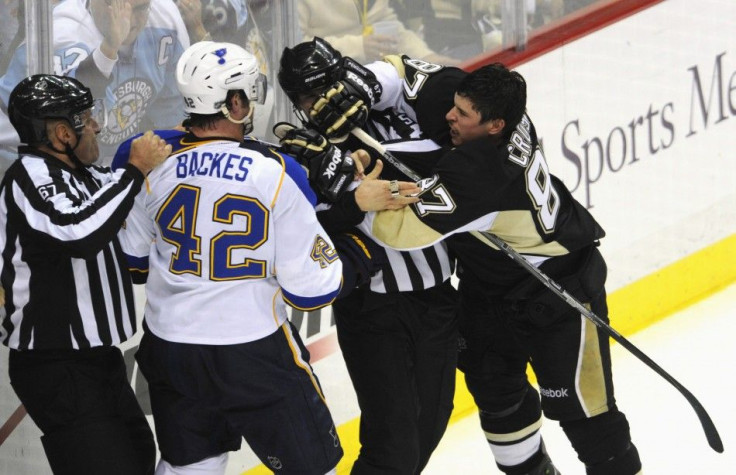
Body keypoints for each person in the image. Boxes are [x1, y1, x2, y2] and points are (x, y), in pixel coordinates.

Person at [116, 40, 345, 475]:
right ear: (234, 102)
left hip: (171, 348)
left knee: (191, 467)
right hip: (252, 351)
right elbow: (313, 291)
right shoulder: (275, 172)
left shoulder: (152, 165)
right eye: (249, 92)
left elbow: (135, 263)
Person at [277, 37, 459, 474]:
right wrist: (351, 199)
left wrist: (371, 167)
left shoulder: (404, 113)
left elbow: (445, 158)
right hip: (372, 310)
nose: (318, 103)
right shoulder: (302, 155)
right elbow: (304, 230)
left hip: (435, 295)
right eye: (305, 97)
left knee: (429, 424)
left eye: (324, 88)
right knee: (391, 444)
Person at [0, 74, 172, 474]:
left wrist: (184, 136)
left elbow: (114, 191)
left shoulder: (86, 177)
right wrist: (135, 170)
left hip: (99, 360)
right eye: (86, 118)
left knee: (138, 455)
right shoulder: (28, 176)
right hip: (56, 365)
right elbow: (79, 233)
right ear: (62, 133)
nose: (95, 125)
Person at [0, 0, 190, 173]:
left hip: (100, 164)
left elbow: (172, 109)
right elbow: (77, 126)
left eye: (140, 8)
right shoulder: (63, 34)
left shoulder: (165, 18)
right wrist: (110, 47)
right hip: (18, 157)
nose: (128, 19)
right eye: (116, 7)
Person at [298, 0, 460, 65]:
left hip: (371, 74)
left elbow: (389, 26)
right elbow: (293, 47)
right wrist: (358, 47)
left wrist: (426, 57)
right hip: (321, 82)